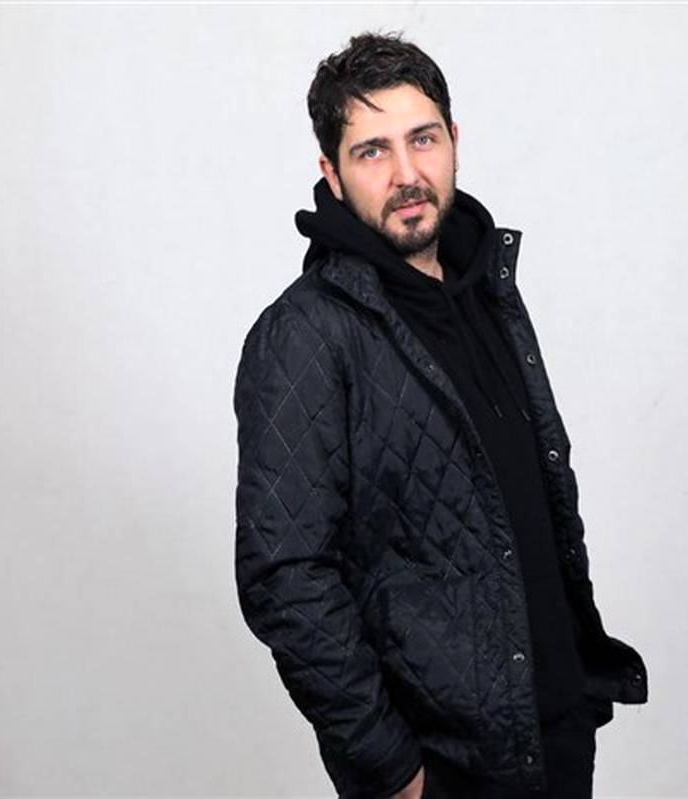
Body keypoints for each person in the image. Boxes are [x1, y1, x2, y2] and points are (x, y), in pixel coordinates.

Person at [233, 31, 647, 799]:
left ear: (454, 140)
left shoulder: (486, 289)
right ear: (331, 173)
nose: (406, 173)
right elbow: (284, 575)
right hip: (445, 769)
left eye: (422, 139)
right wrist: (395, 771)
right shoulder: (307, 334)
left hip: (554, 741)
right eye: (372, 151)